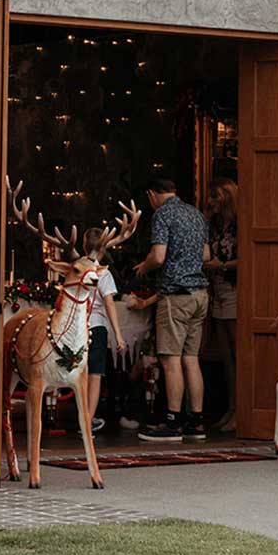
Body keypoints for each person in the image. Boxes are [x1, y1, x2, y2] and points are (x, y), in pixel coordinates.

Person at [133, 177, 209, 442]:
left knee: (170, 359)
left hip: (176, 296)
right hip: (200, 295)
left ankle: (172, 421)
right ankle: (196, 422)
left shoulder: (162, 215)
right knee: (191, 359)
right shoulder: (196, 214)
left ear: (152, 194)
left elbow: (158, 256)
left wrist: (144, 266)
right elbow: (206, 256)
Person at [83, 227, 126, 434]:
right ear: (103, 249)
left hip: (79, 327)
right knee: (95, 374)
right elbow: (109, 303)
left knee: (79, 373)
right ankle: (87, 420)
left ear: (84, 246)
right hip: (97, 326)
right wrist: (118, 335)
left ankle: (83, 415)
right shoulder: (103, 273)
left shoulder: (78, 268)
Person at [204, 178, 238, 432]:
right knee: (226, 357)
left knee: (239, 354)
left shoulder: (239, 224)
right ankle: (230, 408)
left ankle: (241, 410)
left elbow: (249, 257)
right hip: (217, 291)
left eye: (214, 197)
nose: (210, 201)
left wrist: (223, 266)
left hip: (234, 290)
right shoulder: (214, 224)